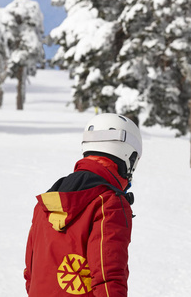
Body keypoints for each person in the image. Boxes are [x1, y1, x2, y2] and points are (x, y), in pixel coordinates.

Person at [24, 113, 142, 297]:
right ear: (130, 158)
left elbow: (31, 273)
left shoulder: (47, 202)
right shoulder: (108, 204)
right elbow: (108, 279)